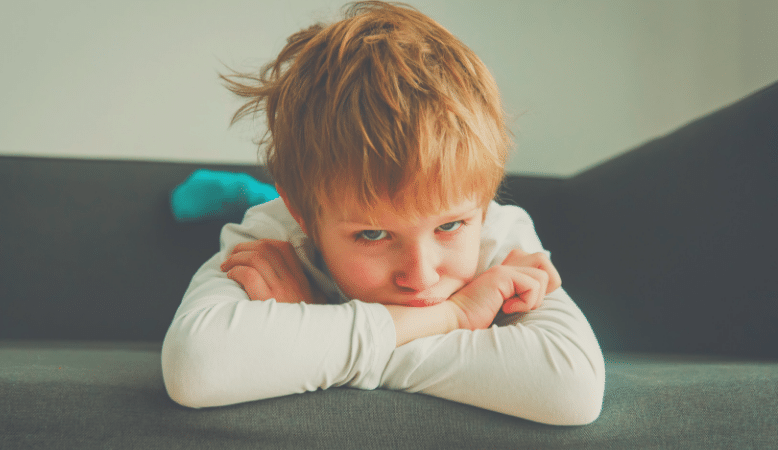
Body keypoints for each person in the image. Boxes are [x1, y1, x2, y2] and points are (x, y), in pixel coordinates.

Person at [161, 1, 604, 425]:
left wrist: (312, 331)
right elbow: (195, 368)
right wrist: (451, 317)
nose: (422, 276)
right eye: (372, 235)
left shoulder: (499, 234)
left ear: (485, 202)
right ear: (302, 217)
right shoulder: (272, 240)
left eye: (449, 226)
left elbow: (573, 390)